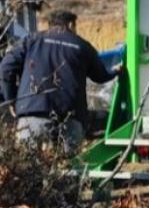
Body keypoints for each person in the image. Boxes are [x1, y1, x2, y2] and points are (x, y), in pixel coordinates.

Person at [0, 10, 119, 154]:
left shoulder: (31, 40)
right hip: (70, 118)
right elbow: (100, 76)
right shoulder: (82, 46)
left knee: (27, 163)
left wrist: (11, 100)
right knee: (69, 164)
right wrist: (115, 71)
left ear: (50, 25)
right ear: (71, 25)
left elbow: (6, 68)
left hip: (32, 116)